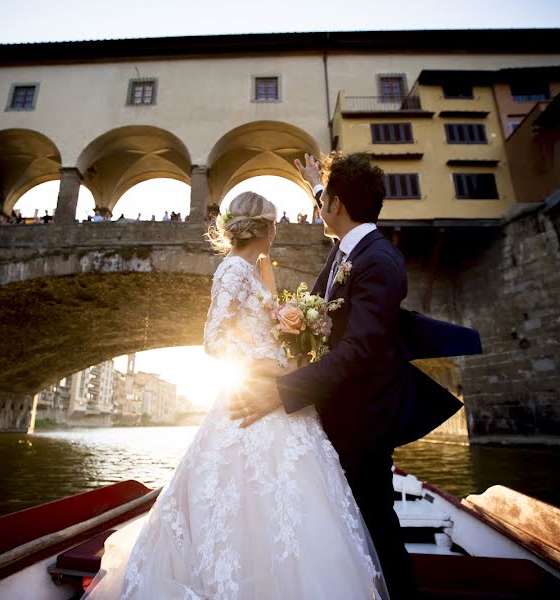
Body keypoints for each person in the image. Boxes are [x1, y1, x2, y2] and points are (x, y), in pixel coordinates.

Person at [82, 191, 388, 600]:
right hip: (254, 393)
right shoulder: (231, 270)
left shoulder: (256, 269)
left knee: (290, 500)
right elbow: (214, 339)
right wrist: (264, 365)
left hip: (282, 397)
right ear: (270, 227)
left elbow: (263, 330)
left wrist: (289, 349)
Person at [230, 152, 425, 599]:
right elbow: (340, 208)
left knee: (375, 522)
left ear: (337, 207)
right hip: (338, 411)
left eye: (325, 201)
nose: (321, 206)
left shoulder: (379, 261)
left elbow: (358, 350)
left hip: (363, 421)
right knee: (348, 522)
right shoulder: (352, 243)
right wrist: (319, 186)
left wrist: (282, 391)